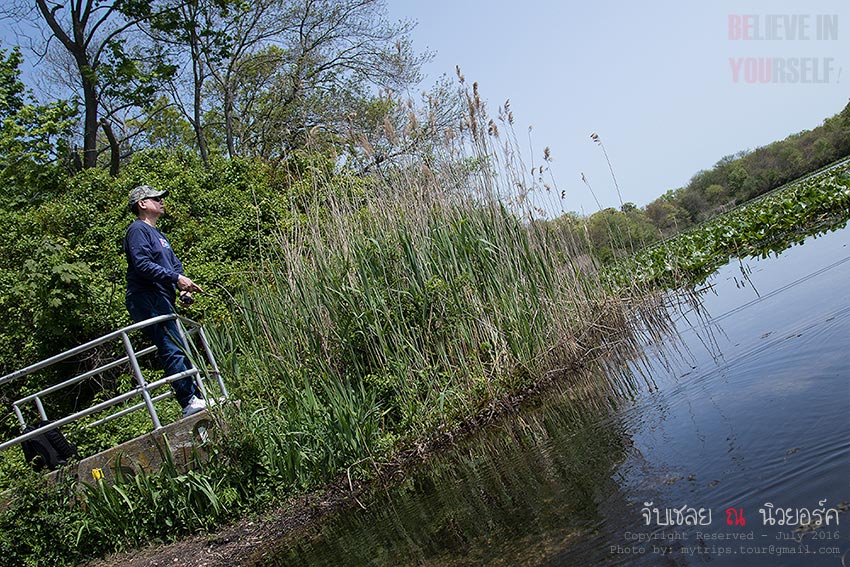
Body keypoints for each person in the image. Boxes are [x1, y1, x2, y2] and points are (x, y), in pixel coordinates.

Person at [124, 184, 207, 417]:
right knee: (170, 346)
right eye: (156, 198)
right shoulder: (137, 230)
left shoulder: (159, 235)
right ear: (142, 204)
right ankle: (188, 400)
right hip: (146, 297)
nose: (161, 201)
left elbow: (174, 265)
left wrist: (183, 289)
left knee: (179, 346)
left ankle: (197, 397)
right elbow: (142, 265)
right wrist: (176, 278)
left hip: (163, 297)